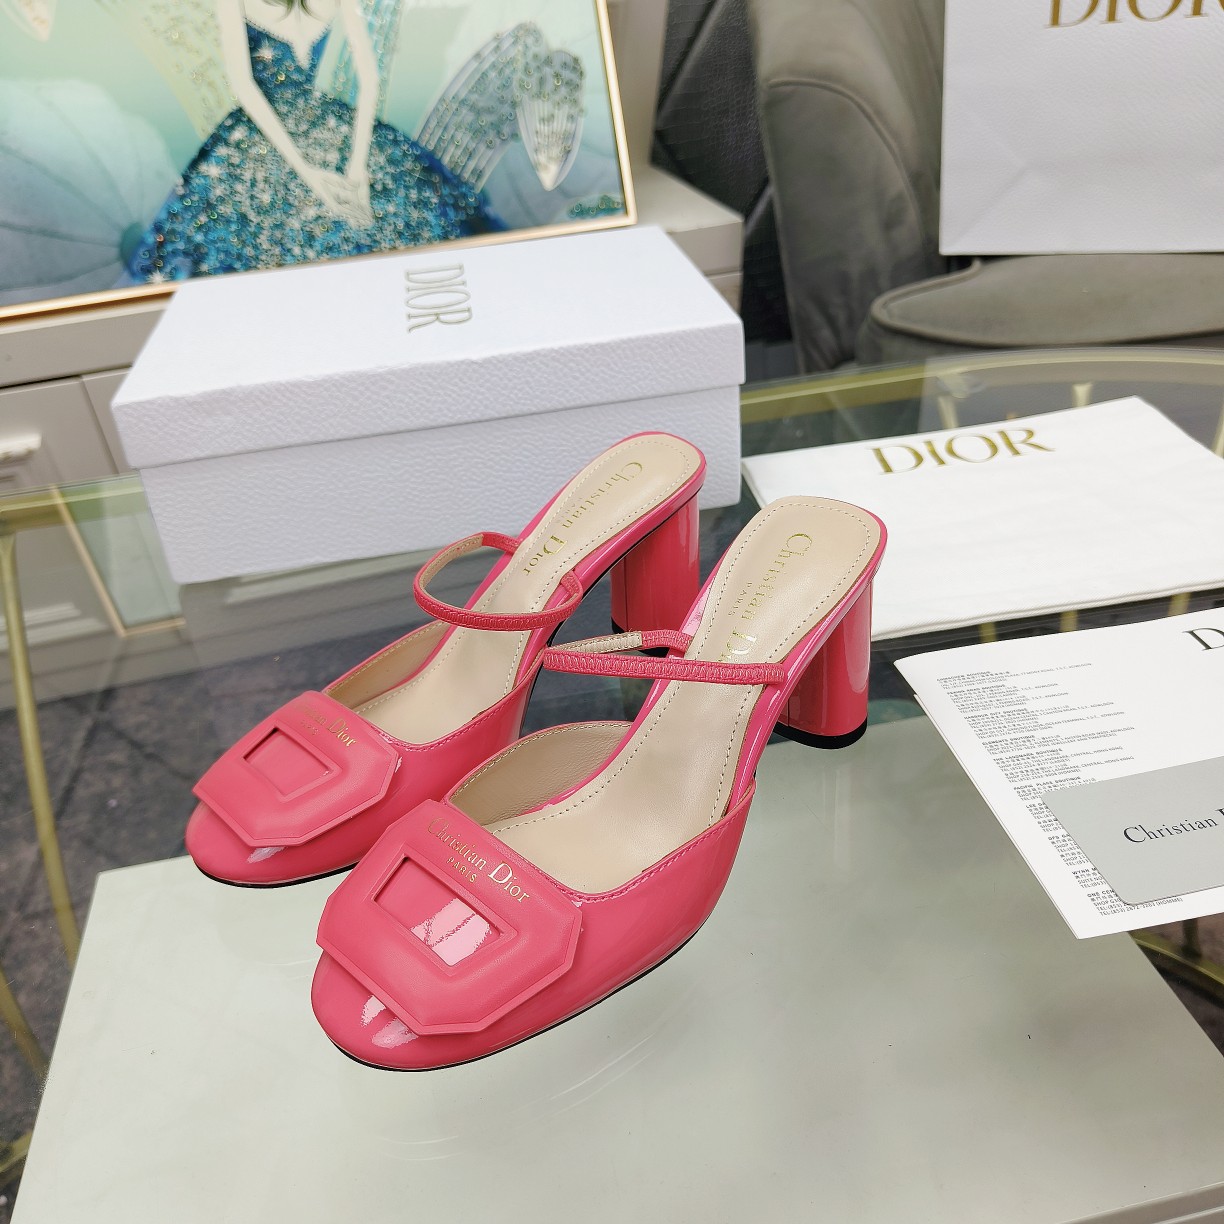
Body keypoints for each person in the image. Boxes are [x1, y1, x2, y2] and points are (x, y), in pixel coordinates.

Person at [125, 0, 500, 283]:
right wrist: (347, 168)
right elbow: (366, 82)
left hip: (277, 133)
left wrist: (346, 170)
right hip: (298, 128)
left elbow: (247, 87)